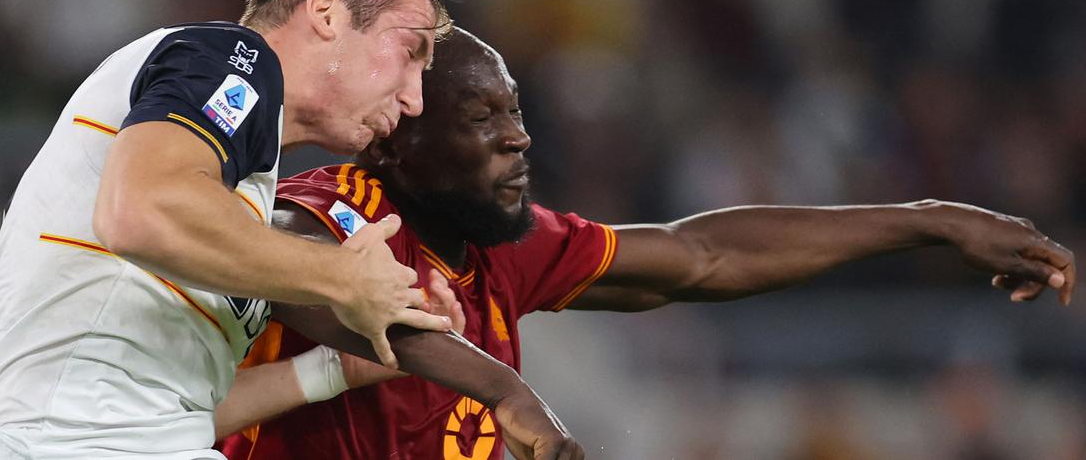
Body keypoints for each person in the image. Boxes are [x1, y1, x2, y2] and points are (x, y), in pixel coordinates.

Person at [215, 27, 1076, 460]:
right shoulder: (325, 216)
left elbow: (701, 257)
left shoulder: (501, 244)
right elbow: (289, 271)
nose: (517, 138)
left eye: (515, 112)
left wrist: (931, 219)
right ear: (396, 140)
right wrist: (502, 388)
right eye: (480, 117)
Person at [0, 0, 580, 460]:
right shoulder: (228, 58)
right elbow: (139, 212)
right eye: (410, 52)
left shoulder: (242, 188)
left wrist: (337, 367)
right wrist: (342, 277)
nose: (414, 97)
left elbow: (174, 408)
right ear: (325, 12)